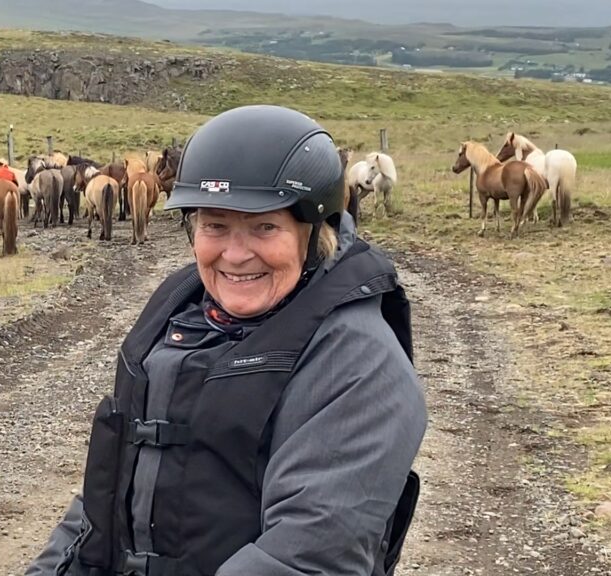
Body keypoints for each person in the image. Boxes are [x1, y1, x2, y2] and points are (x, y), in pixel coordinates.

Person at [25, 105, 427, 576]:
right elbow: (106, 493)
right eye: (215, 225)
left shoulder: (358, 364)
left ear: (314, 231)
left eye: (264, 227)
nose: (235, 255)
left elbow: (307, 556)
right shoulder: (178, 310)